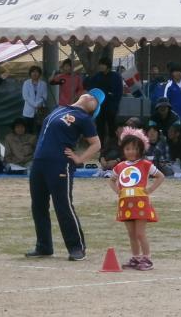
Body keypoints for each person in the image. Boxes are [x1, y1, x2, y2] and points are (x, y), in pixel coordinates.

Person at [27, 89, 104, 261]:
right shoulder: (59, 108)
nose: (91, 96)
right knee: (38, 206)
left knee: (63, 205)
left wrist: (79, 159)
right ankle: (44, 246)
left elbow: (96, 144)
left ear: (93, 110)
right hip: (39, 161)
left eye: (95, 100)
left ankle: (77, 247)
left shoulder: (84, 118)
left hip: (59, 163)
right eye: (90, 94)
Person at [110, 127, 164, 271]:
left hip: (140, 203)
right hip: (125, 204)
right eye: (127, 148)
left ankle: (146, 258)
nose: (131, 151)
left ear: (140, 149)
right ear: (123, 150)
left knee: (140, 233)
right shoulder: (119, 166)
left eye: (134, 148)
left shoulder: (146, 165)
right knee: (131, 234)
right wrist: (118, 191)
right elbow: (111, 180)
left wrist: (150, 189)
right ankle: (136, 258)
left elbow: (160, 176)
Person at [21, 65, 49, 134]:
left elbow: (44, 96)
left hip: (40, 110)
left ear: (39, 74)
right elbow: (25, 96)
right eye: (33, 72)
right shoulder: (26, 83)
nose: (35, 73)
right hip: (28, 109)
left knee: (39, 129)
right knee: (28, 130)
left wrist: (39, 104)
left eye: (37, 72)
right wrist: (35, 104)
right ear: (30, 73)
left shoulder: (43, 84)